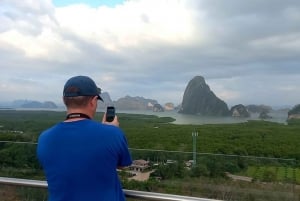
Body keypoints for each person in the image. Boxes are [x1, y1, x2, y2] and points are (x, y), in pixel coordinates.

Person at [37, 75, 132, 201]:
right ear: (93, 101)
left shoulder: (44, 138)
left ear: (64, 100)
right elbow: (121, 165)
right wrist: (111, 129)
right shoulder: (113, 134)